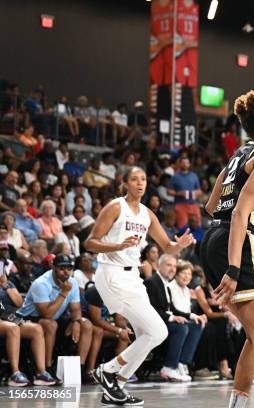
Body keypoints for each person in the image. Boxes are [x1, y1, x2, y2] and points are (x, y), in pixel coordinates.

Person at [200, 90, 254, 408]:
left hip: (212, 240)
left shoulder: (238, 155)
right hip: (241, 240)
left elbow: (212, 206)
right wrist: (235, 268)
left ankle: (237, 403)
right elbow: (239, 212)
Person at [84, 166, 195, 406]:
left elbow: (167, 246)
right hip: (112, 275)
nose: (140, 183)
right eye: (134, 179)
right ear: (125, 183)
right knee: (159, 331)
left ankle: (116, 386)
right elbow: (90, 242)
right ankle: (108, 370)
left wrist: (181, 244)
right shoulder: (116, 207)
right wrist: (118, 246)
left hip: (133, 277)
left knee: (147, 334)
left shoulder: (147, 214)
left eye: (143, 178)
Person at [16, 254, 100, 383]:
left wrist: (76, 322)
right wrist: (64, 293)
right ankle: (48, 368)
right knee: (50, 324)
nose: (66, 272)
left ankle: (80, 369)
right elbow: (46, 314)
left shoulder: (72, 282)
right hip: (30, 318)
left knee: (86, 324)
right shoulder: (41, 283)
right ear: (53, 268)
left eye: (69, 268)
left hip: (55, 318)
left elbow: (76, 309)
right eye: (62, 268)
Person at [1, 268, 57, 386]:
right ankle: (15, 373)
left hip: (6, 317)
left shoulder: (7, 284)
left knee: (36, 329)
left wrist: (5, 285)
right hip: (4, 321)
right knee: (13, 328)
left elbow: (19, 303)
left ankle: (41, 373)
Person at [164, 260, 206, 382]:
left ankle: (183, 362)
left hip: (184, 320)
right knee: (187, 327)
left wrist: (197, 317)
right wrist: (193, 316)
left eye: (189, 274)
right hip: (171, 319)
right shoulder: (170, 287)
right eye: (184, 273)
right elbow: (174, 310)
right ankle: (173, 364)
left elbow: (186, 312)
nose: (187, 276)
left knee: (198, 325)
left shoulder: (187, 290)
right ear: (176, 274)